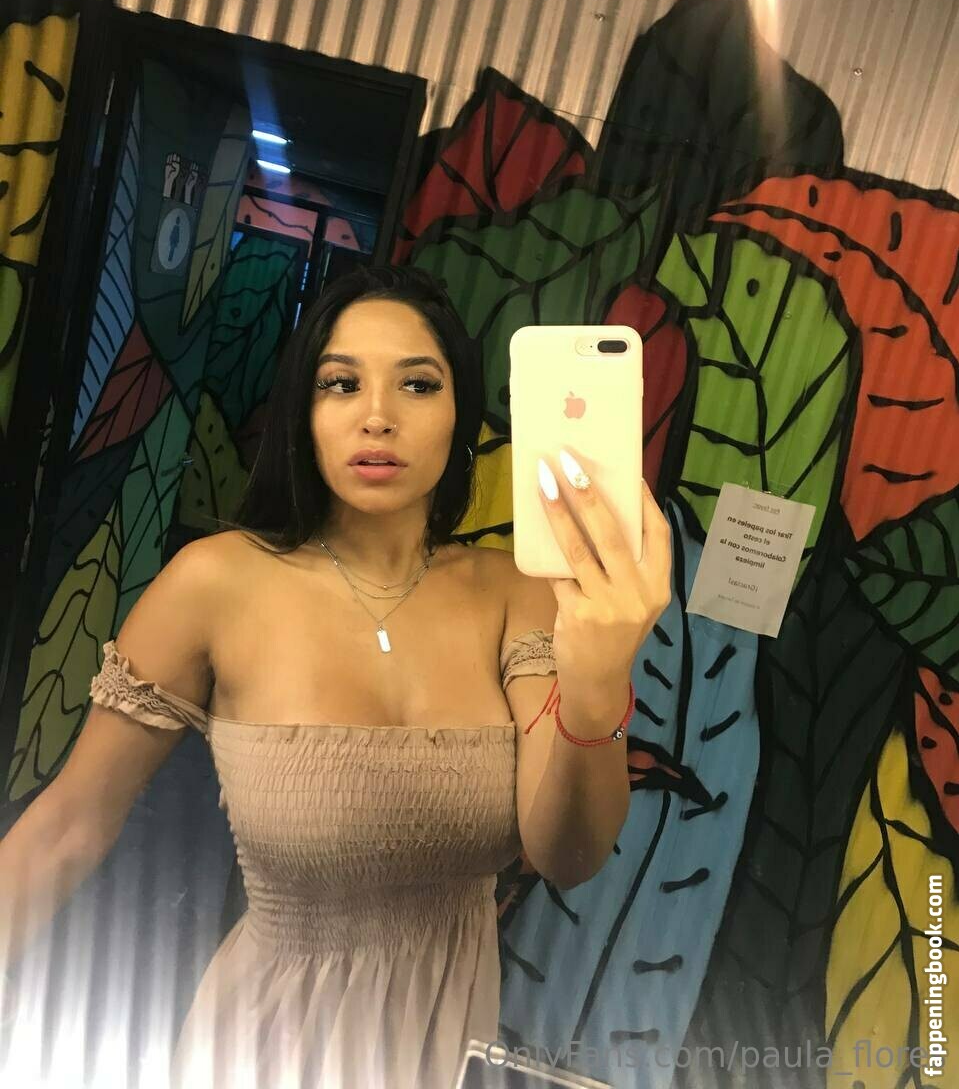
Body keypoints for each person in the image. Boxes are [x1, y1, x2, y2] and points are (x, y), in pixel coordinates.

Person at [0, 265, 672, 1088]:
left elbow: (565, 854)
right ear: (304, 413)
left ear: (459, 415)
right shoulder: (216, 583)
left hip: (441, 1047)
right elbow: (67, 826)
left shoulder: (516, 593)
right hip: (260, 1050)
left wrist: (597, 684)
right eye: (340, 383)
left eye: (418, 384)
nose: (377, 415)